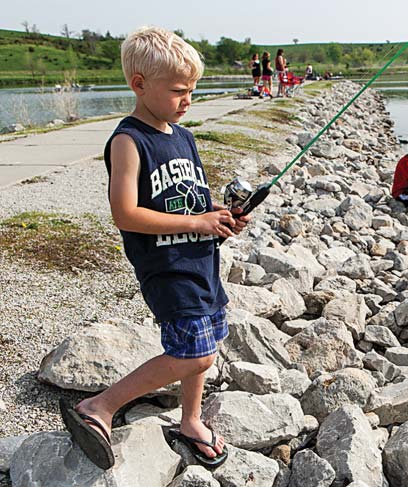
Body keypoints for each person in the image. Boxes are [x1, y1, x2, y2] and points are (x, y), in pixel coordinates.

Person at [58, 26, 251, 471]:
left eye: (193, 91)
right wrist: (196, 222)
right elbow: (125, 213)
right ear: (139, 84)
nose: (188, 100)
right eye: (179, 91)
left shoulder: (183, 137)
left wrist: (219, 215)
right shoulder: (128, 141)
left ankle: (191, 420)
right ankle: (99, 407)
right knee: (194, 351)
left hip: (201, 261)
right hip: (165, 266)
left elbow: (192, 199)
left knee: (209, 340)